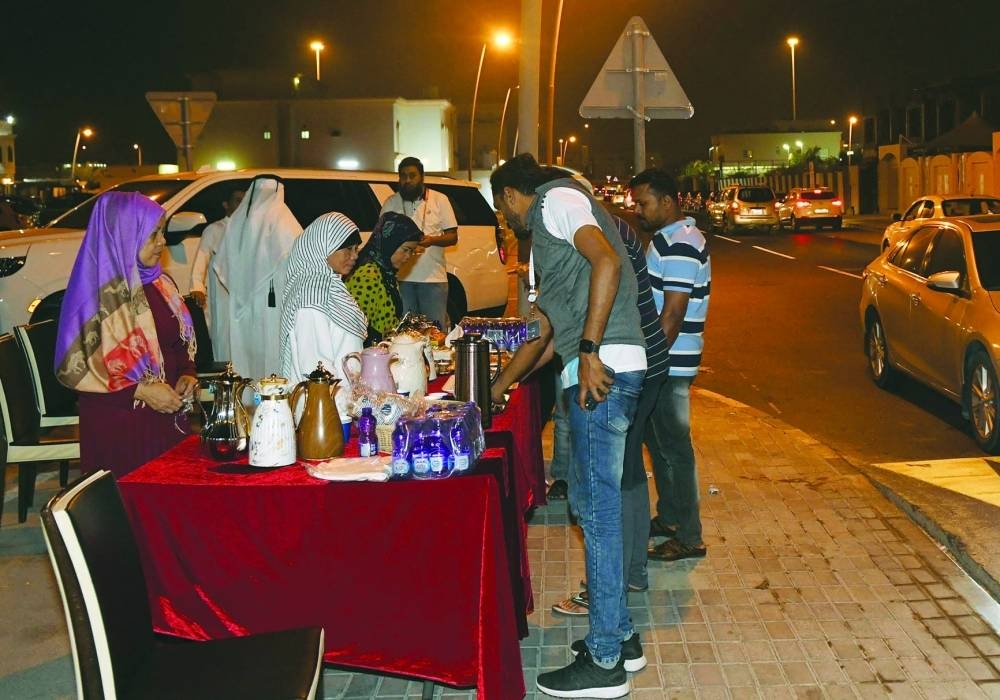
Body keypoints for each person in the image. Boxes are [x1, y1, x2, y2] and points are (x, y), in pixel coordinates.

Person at [490, 153, 645, 699]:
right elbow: (546, 333)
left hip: (603, 370)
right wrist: (498, 387)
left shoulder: (557, 201)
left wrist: (591, 348)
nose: (506, 223)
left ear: (512, 194)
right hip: (598, 365)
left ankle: (605, 663)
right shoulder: (555, 227)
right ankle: (622, 638)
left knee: (598, 512)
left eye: (502, 211)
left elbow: (607, 262)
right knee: (589, 502)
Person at [548, 214, 670, 615]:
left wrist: (585, 350)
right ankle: (630, 574)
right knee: (626, 471)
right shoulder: (606, 222)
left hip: (622, 359)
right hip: (643, 358)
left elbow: (603, 276)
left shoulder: (589, 226)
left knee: (604, 485)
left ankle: (609, 589)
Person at [54, 191, 198, 478]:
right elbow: (76, 371)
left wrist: (188, 373)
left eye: (162, 232)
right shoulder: (97, 298)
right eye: (153, 234)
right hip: (122, 426)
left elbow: (178, 343)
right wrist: (141, 390)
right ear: (125, 234)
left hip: (167, 417)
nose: (162, 242)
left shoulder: (160, 283)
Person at [630, 168, 711, 563]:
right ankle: (671, 518)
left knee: (675, 449)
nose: (637, 211)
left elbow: (673, 314)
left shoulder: (680, 243)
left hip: (669, 363)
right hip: (666, 361)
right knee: (659, 445)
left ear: (667, 201)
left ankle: (691, 537)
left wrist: (650, 366)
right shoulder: (668, 240)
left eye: (643, 203)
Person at [214, 176, 302, 379]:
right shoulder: (280, 214)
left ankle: (248, 402)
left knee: (247, 359)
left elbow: (221, 266)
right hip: (274, 304)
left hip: (242, 307)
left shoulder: (237, 221)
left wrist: (244, 286)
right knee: (271, 353)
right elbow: (302, 253)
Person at [280, 212, 365, 415]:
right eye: (347, 249)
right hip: (322, 413)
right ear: (323, 246)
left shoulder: (329, 285)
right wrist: (347, 408)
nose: (354, 256)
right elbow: (316, 368)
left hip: (341, 406)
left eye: (356, 249)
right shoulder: (311, 295)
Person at [380, 156, 458, 329]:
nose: (407, 180)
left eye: (412, 175)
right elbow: (381, 236)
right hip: (401, 279)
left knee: (434, 332)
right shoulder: (391, 202)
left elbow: (453, 237)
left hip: (433, 280)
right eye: (403, 176)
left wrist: (431, 240)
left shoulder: (440, 200)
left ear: (422, 176)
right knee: (405, 333)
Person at [345, 211, 422, 344]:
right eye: (405, 249)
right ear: (390, 243)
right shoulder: (368, 275)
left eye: (412, 251)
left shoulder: (386, 272)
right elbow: (354, 329)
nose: (408, 256)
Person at [188, 188, 245, 363]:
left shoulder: (252, 231)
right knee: (223, 339)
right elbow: (201, 260)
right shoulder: (215, 229)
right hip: (222, 298)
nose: (241, 204)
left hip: (245, 299)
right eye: (237, 200)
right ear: (226, 204)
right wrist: (197, 287)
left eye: (244, 200)